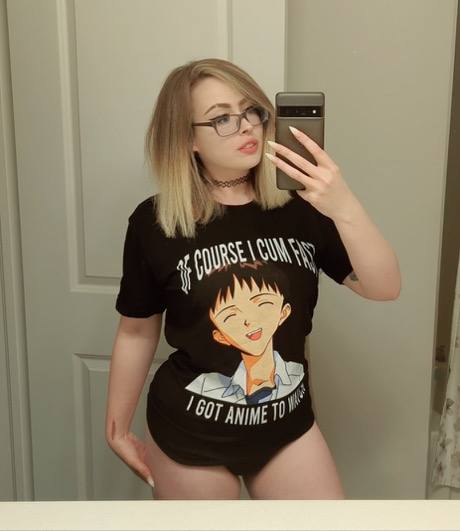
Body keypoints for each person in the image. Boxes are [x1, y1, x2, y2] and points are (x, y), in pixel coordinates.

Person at [105, 58, 400, 500]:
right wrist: (117, 426)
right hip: (189, 432)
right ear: (188, 139)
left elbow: (384, 287)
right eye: (221, 118)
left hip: (287, 428)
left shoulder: (303, 208)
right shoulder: (155, 222)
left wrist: (343, 205)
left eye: (251, 111)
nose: (246, 126)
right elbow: (136, 329)